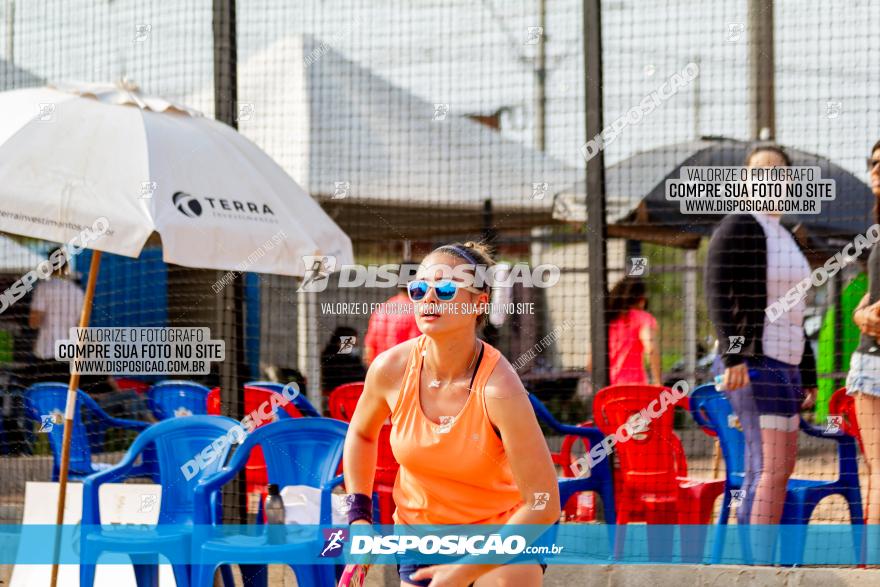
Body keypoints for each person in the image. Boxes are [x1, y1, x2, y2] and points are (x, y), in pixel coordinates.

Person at [343, 241, 560, 586]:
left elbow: (544, 504)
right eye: (419, 289)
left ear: (479, 302)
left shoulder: (500, 389)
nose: (428, 298)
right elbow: (361, 433)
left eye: (445, 289)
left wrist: (462, 573)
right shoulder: (390, 369)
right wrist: (358, 517)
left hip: (506, 529)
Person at [705, 144, 817, 561]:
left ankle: (755, 562)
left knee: (781, 468)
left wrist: (808, 375)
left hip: (786, 366)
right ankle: (754, 569)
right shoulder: (739, 224)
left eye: (777, 171)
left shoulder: (787, 235)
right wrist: (734, 356)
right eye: (759, 170)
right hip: (756, 361)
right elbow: (715, 289)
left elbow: (798, 313)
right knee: (767, 467)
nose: (768, 176)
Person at [847, 139, 880, 534]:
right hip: (871, 363)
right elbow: (873, 295)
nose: (875, 169)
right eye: (872, 162)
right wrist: (859, 315)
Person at [28, 247, 84, 383]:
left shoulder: (44, 288)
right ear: (67, 265)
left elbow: (33, 323)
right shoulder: (78, 292)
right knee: (64, 397)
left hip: (46, 352)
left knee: (44, 398)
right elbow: (81, 326)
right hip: (69, 354)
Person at [363, 260, 421, 365]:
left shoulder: (382, 309)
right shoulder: (419, 312)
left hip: (380, 372)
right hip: (406, 375)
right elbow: (417, 352)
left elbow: (369, 351)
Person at [605, 277, 661, 385]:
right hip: (634, 389)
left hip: (608, 391)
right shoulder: (642, 318)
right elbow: (651, 349)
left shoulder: (606, 321)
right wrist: (658, 381)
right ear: (641, 300)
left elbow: (591, 363)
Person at [320, 325, 367, 394]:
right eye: (353, 344)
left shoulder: (353, 358)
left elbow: (363, 375)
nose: (355, 348)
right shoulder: (329, 358)